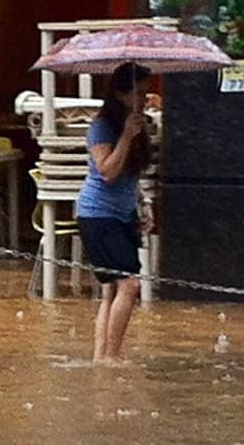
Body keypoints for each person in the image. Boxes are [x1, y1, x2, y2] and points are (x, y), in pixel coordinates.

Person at [77, 62, 154, 366]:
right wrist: (125, 136)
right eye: (141, 93)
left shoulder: (138, 123)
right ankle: (112, 355)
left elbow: (130, 177)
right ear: (122, 94)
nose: (146, 99)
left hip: (123, 215)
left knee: (111, 289)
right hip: (98, 215)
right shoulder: (102, 127)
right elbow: (107, 171)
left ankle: (101, 356)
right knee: (130, 284)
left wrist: (144, 204)